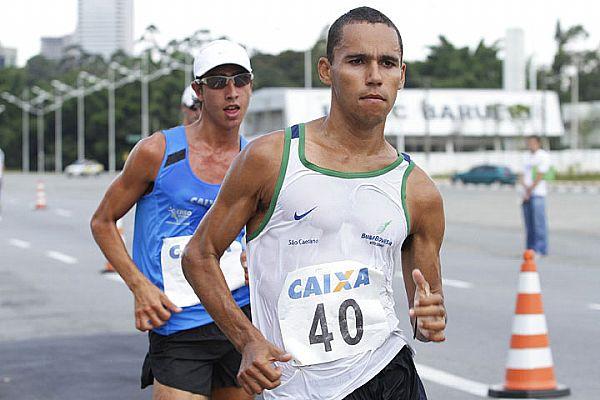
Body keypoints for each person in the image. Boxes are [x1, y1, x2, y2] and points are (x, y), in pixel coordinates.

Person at [181, 7, 446, 400]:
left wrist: (432, 320)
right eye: (357, 61)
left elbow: (427, 318)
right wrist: (247, 340)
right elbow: (198, 256)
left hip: (388, 374)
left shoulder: (417, 190)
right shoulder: (270, 159)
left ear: (401, 76)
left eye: (387, 63)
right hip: (295, 388)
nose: (375, 76)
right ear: (327, 70)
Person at [90, 39, 255, 400]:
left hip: (238, 318)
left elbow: (265, 232)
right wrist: (139, 286)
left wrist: (253, 257)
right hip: (178, 324)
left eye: (240, 80)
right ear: (198, 90)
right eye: (217, 82)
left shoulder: (255, 158)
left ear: (250, 86)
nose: (231, 93)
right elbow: (102, 221)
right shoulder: (157, 151)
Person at [520, 135, 551, 256]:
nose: (530, 145)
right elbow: (521, 174)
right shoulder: (526, 156)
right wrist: (524, 189)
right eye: (529, 143)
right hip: (525, 195)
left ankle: (540, 249)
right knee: (529, 224)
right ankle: (530, 249)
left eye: (532, 143)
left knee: (539, 224)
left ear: (538, 143)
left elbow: (540, 175)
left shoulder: (543, 156)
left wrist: (530, 190)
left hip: (537, 194)